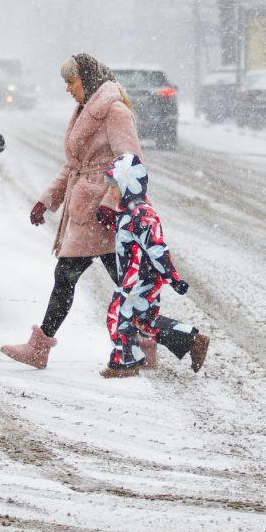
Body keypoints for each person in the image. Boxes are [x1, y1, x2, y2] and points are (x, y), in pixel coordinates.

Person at [0, 53, 143, 370]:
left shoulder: (114, 112)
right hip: (87, 211)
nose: (67, 88)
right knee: (121, 283)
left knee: (67, 277)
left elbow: (131, 162)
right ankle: (174, 339)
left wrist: (111, 202)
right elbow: (75, 165)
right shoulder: (86, 111)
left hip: (100, 213)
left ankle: (39, 349)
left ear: (87, 79)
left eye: (70, 81)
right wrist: (47, 199)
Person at [99, 152, 209, 378]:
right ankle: (191, 339)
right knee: (142, 320)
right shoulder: (129, 211)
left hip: (140, 277)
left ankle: (125, 363)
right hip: (136, 277)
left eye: (114, 185)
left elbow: (157, 248)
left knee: (118, 315)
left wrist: (173, 278)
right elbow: (130, 242)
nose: (110, 190)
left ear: (129, 184)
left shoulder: (141, 214)